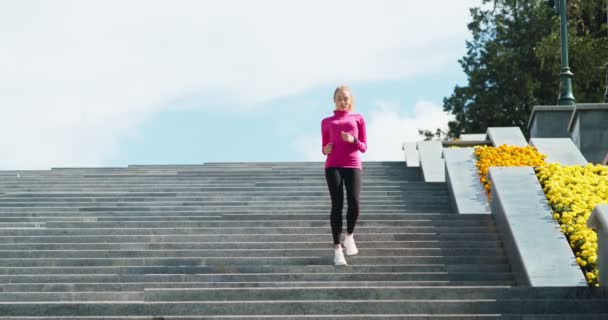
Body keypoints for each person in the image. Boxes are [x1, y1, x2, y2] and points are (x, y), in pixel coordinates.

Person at [321, 85, 367, 266]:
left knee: (354, 203)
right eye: (339, 98)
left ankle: (349, 236)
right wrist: (325, 149)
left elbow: (364, 146)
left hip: (353, 165)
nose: (343, 101)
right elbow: (324, 147)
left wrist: (353, 140)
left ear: (350, 100)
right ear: (334, 100)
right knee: (337, 205)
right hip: (333, 166)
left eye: (346, 98)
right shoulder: (326, 121)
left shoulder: (358, 119)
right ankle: (338, 250)